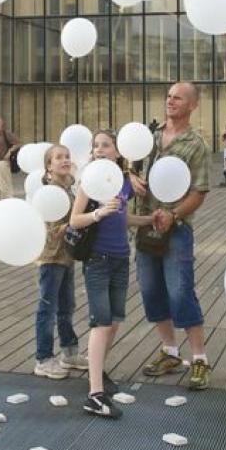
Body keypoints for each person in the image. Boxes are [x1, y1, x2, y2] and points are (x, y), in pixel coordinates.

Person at [136, 81, 213, 390]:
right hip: (145, 226)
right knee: (151, 292)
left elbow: (199, 191)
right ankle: (169, 352)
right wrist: (131, 176)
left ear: (192, 105)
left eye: (178, 98)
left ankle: (199, 359)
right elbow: (131, 170)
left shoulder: (196, 144)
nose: (171, 101)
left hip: (177, 229)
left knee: (181, 292)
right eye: (168, 96)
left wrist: (174, 214)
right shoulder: (149, 139)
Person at [70, 131, 150, 419]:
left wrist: (148, 220)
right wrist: (98, 213)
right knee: (101, 322)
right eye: (96, 145)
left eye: (106, 145)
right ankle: (94, 394)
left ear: (118, 151)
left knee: (115, 322)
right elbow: (75, 220)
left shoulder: (123, 182)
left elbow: (123, 216)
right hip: (97, 259)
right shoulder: (89, 181)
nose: (100, 149)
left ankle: (98, 375)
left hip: (120, 258)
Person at [31, 144, 84, 380]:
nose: (64, 160)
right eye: (58, 157)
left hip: (66, 256)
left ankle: (69, 351)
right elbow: (51, 231)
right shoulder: (49, 193)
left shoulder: (70, 189)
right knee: (48, 308)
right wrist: (76, 222)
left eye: (67, 156)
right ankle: (43, 358)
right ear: (49, 166)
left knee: (66, 306)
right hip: (51, 257)